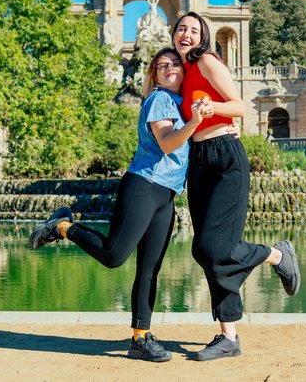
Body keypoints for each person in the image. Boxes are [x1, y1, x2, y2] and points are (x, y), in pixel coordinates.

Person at [29, 48, 208, 363]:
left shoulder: (182, 104)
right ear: (153, 75)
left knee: (150, 269)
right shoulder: (158, 100)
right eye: (162, 65)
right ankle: (62, 225)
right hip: (143, 186)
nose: (169, 68)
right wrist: (195, 120)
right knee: (114, 256)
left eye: (175, 64)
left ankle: (140, 338)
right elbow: (167, 142)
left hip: (166, 195)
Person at [171, 11, 300, 362]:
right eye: (181, 28)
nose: (186, 33)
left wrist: (211, 107)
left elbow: (240, 106)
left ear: (203, 38)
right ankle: (229, 336)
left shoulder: (208, 62)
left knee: (216, 247)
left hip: (225, 158)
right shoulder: (182, 76)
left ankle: (276, 254)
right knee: (204, 250)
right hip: (199, 160)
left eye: (193, 30)